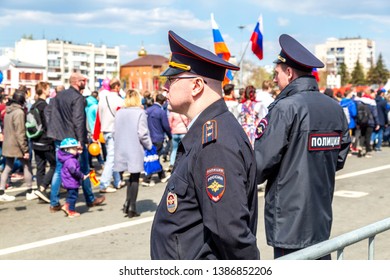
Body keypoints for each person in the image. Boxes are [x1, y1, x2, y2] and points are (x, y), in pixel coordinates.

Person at [150, 30, 259, 260]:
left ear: (197, 86)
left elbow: (231, 234)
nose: (165, 87)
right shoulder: (208, 131)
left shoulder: (215, 142)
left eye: (172, 79)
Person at [253, 34, 351, 259]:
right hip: (320, 215)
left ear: (289, 72)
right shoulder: (334, 108)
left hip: (290, 219)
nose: (275, 79)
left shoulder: (285, 109)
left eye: (276, 73)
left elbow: (260, 165)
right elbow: (339, 158)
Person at [46, 72, 105, 212]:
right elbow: (79, 120)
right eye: (84, 80)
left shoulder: (58, 95)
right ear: (78, 82)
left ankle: (54, 203)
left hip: (59, 137)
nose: (86, 82)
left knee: (59, 169)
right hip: (72, 140)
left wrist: (53, 132)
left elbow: (49, 113)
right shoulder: (77, 97)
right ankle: (90, 198)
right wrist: (80, 141)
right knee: (83, 168)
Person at [113, 89, 152, 218]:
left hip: (121, 147)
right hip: (134, 147)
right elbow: (143, 133)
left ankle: (126, 203)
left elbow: (114, 132)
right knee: (134, 177)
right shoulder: (140, 113)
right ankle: (132, 207)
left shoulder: (119, 113)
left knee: (129, 176)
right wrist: (149, 146)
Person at [0, 90, 33, 202]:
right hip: (16, 144)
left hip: (7, 142)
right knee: (27, 165)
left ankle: (1, 192)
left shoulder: (8, 111)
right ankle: (29, 191)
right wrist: (25, 149)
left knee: (7, 167)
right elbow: (20, 132)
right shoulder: (19, 112)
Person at [95, 78, 124, 193]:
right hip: (115, 131)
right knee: (112, 157)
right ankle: (104, 184)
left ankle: (117, 181)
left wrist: (96, 134)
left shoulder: (102, 99)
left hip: (105, 130)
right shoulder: (119, 100)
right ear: (116, 86)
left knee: (113, 156)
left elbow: (98, 117)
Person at [29, 81, 56, 203]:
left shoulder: (33, 106)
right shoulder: (44, 106)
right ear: (44, 90)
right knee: (55, 165)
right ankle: (42, 187)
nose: (50, 91)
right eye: (48, 89)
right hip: (45, 141)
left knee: (40, 167)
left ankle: (41, 193)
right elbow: (48, 124)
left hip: (35, 139)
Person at [143, 93, 172, 186]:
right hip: (158, 137)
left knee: (153, 156)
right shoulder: (161, 112)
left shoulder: (147, 110)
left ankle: (162, 175)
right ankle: (147, 178)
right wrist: (169, 135)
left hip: (148, 137)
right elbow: (166, 126)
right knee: (154, 157)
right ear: (163, 102)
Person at [58, 138, 90, 218]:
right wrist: (82, 176)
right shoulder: (71, 160)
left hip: (69, 181)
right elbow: (74, 171)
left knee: (70, 195)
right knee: (73, 196)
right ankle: (70, 210)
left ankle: (67, 206)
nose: (76, 150)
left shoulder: (67, 158)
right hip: (71, 181)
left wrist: (78, 153)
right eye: (74, 148)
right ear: (67, 150)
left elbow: (74, 159)